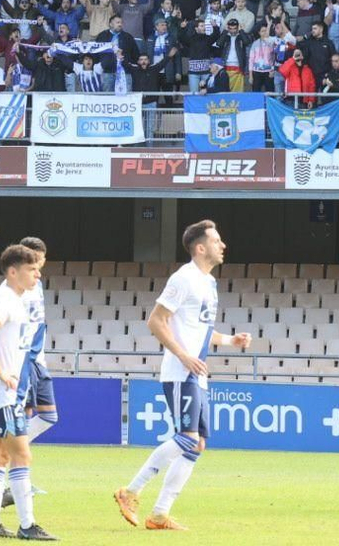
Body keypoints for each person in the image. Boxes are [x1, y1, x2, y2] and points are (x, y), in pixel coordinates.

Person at [114, 220, 252, 532]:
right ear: (200, 248)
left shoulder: (208, 283)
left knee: (198, 443)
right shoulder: (184, 278)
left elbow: (200, 329)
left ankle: (159, 514)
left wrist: (230, 340)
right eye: (217, 241)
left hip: (196, 373)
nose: (223, 245)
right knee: (187, 437)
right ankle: (131, 491)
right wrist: (183, 355)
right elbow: (156, 321)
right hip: (181, 372)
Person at [0, 242, 57, 540]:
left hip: (6, 396)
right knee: (21, 457)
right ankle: (27, 525)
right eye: (31, 270)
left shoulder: (16, 300)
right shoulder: (4, 300)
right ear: (12, 271)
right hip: (4, 395)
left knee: (0, 458)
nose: (37, 275)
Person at [18, 236, 60, 451]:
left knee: (49, 416)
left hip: (37, 360)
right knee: (22, 416)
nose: (38, 266)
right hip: (24, 359)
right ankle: (15, 475)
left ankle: (12, 454)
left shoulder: (37, 285)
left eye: (41, 260)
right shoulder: (16, 290)